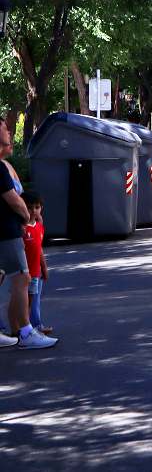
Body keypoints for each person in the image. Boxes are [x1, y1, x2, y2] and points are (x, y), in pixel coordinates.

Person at [0, 123, 55, 349]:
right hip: (7, 232)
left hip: (8, 231)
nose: (10, 132)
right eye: (4, 128)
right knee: (22, 278)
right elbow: (14, 199)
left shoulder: (4, 165)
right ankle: (24, 331)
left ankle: (15, 330)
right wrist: (26, 217)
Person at [22, 191, 50, 336]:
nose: (33, 211)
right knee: (27, 302)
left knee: (35, 301)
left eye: (37, 207)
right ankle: (26, 329)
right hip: (25, 273)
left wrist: (43, 267)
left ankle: (37, 325)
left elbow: (39, 248)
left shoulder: (39, 225)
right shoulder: (21, 228)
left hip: (36, 271)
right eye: (29, 207)